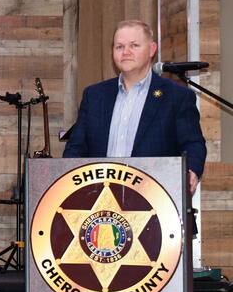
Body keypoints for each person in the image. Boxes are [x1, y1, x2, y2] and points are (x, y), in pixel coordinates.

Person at [63, 19, 206, 195]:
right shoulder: (94, 95)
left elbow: (193, 144)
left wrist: (191, 171)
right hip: (99, 202)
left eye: (134, 45)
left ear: (152, 50)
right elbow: (75, 148)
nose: (126, 52)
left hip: (155, 199)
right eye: (119, 47)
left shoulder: (177, 96)